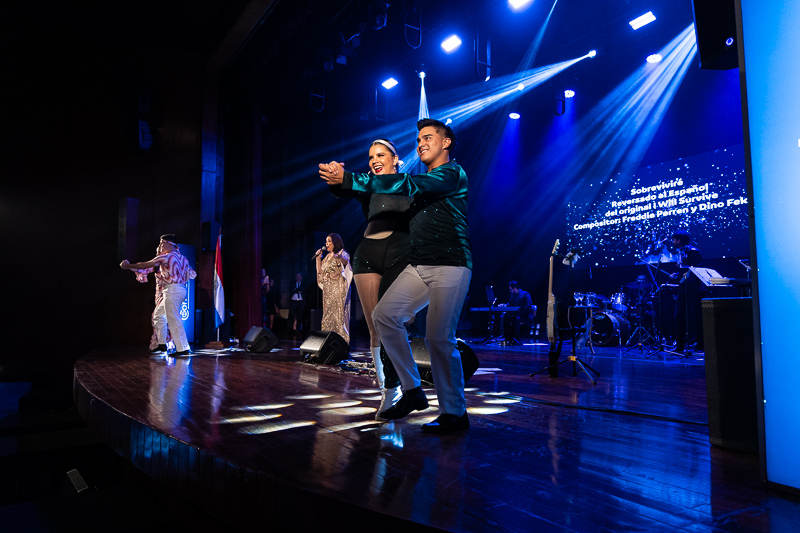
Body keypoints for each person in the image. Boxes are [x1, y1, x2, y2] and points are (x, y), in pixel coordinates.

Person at [320, 118, 472, 434]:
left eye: (427, 137)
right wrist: (340, 180)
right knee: (385, 316)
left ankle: (454, 414)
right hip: (418, 266)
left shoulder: (451, 174)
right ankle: (411, 389)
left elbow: (403, 184)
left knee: (438, 338)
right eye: (418, 139)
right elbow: (375, 188)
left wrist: (349, 177)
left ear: (446, 143)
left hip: (451, 264)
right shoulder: (414, 184)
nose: (420, 143)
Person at [328, 138, 411, 419]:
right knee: (375, 325)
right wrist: (336, 178)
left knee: (392, 322)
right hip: (368, 254)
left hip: (400, 252)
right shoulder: (368, 185)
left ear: (395, 158)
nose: (374, 160)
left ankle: (399, 382)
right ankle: (388, 389)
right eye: (370, 157)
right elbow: (344, 189)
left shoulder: (408, 183)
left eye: (380, 155)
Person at [120, 234, 196, 356]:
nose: (160, 246)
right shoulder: (184, 258)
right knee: (158, 316)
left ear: (169, 245)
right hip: (179, 289)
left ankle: (183, 348)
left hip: (172, 289)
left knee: (174, 319)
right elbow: (192, 274)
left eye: (162, 243)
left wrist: (127, 266)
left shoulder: (165, 257)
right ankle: (162, 343)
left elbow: (145, 265)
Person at [666, 229, 705, 354]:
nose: (672, 242)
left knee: (696, 317)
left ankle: (700, 345)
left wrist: (682, 271)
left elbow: (695, 270)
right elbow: (685, 272)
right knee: (678, 317)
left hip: (694, 290)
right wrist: (677, 275)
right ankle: (680, 345)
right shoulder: (681, 252)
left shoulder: (693, 251)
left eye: (674, 239)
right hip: (683, 289)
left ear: (678, 240)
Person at [315, 233, 353, 343]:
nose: (326, 244)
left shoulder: (342, 253)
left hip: (339, 288)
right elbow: (320, 273)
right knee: (328, 315)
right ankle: (327, 341)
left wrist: (339, 257)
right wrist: (318, 259)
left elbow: (346, 264)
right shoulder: (327, 257)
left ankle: (342, 342)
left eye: (329, 241)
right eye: (326, 241)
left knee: (339, 315)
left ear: (335, 243)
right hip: (328, 290)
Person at [499, 280, 533, 345]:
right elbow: (509, 304)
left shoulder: (526, 294)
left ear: (515, 288)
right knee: (504, 317)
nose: (510, 291)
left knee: (516, 318)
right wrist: (504, 305)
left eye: (511, 289)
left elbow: (529, 307)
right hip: (515, 315)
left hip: (524, 316)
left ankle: (516, 338)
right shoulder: (513, 295)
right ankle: (508, 338)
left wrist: (519, 310)